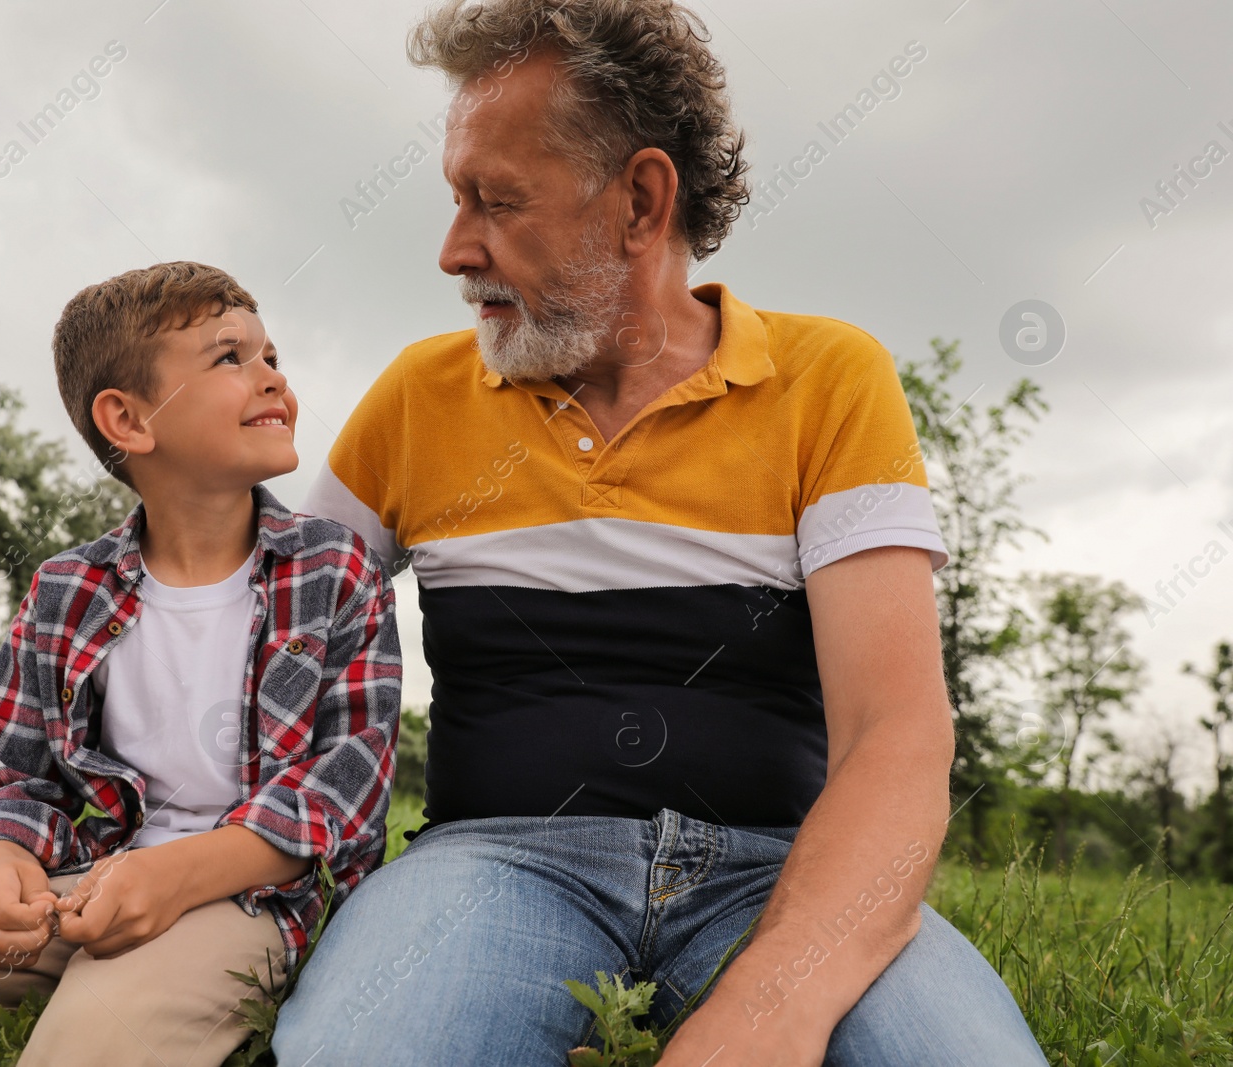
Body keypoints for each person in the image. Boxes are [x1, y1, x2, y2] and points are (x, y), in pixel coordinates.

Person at [270, 2, 1046, 1065]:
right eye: (458, 198)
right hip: (493, 863)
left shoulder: (829, 379)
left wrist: (768, 1008)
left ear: (640, 198)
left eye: (497, 201)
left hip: (778, 873)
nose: (454, 250)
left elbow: (895, 734)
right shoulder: (419, 394)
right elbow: (270, 635)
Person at [0, 261, 402, 1067]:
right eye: (231, 358)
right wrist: (2, 859)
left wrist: (177, 876)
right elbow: (11, 776)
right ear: (127, 420)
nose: (271, 377)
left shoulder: (335, 569)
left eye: (272, 357)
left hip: (257, 898)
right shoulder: (67, 588)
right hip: (92, 880)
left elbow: (345, 789)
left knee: (96, 1034)